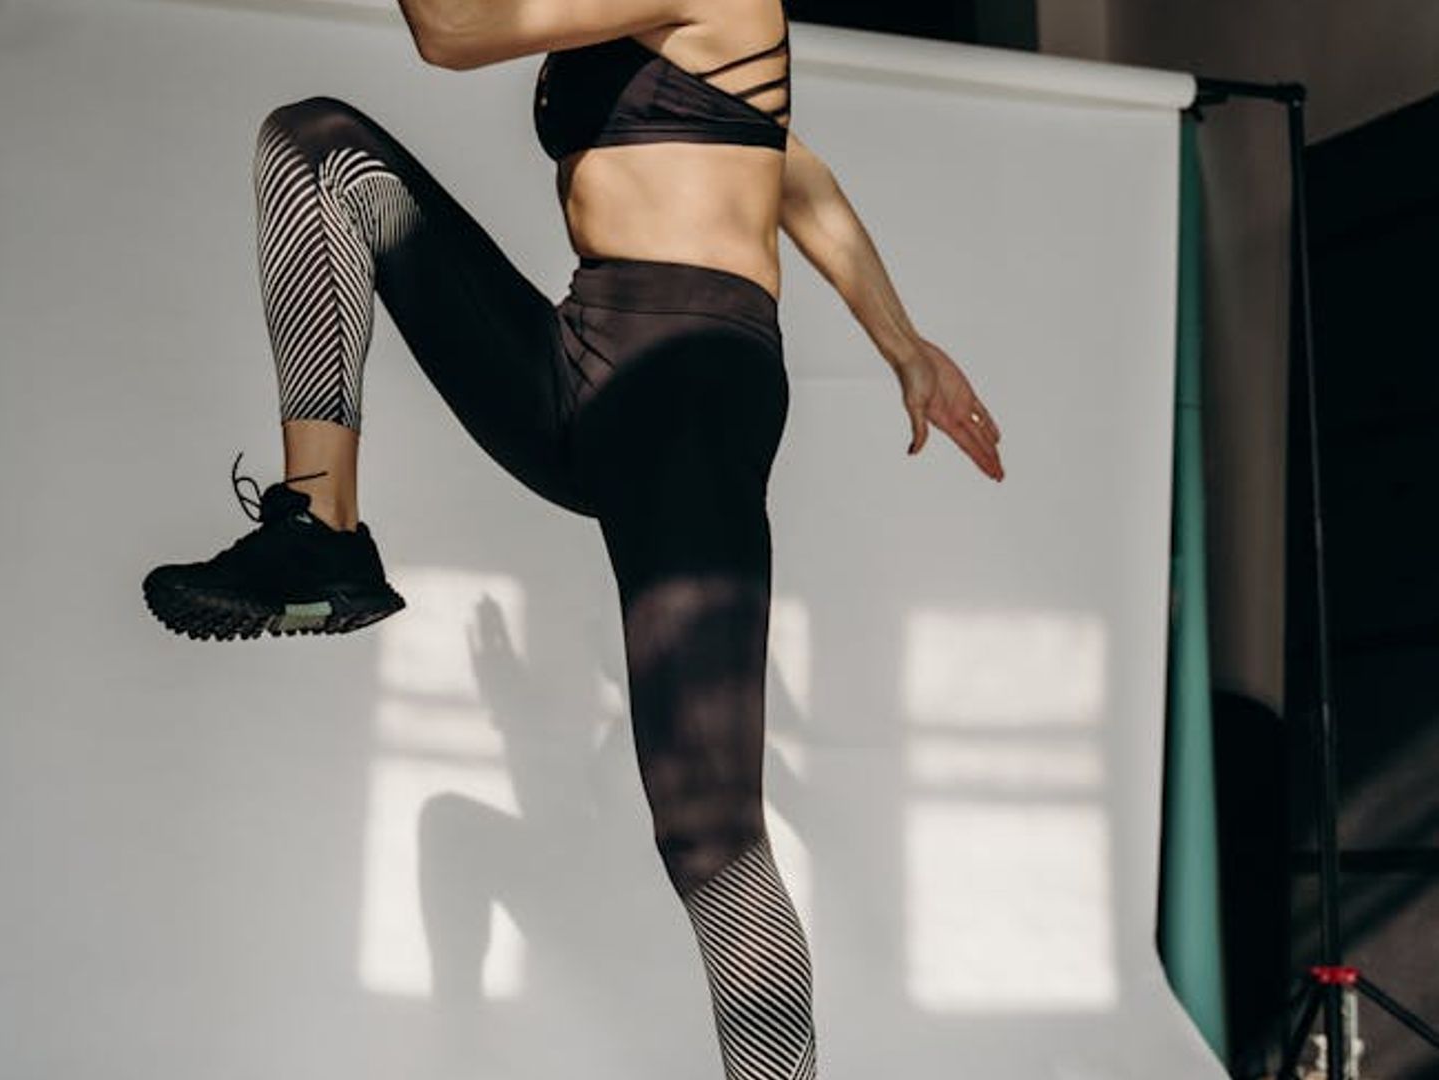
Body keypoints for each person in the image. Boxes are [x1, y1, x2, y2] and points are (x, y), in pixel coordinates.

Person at [144, 0, 1006, 1076]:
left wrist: (901, 344)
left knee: (707, 830)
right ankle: (322, 531)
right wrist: (906, 343)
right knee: (321, 150)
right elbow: (794, 172)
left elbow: (451, 31)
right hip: (581, 356)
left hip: (686, 379)